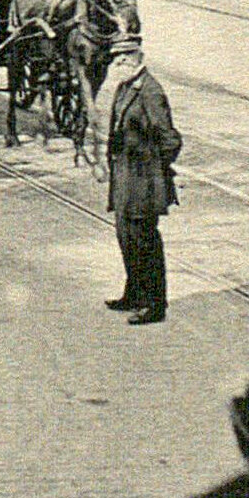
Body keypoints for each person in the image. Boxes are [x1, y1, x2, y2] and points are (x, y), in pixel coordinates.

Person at [98, 34, 181, 325]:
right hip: (125, 179)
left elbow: (170, 140)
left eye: (125, 56)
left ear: (137, 57)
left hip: (143, 182)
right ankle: (133, 293)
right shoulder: (124, 87)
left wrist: (153, 171)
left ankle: (154, 304)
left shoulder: (150, 91)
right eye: (116, 57)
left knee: (145, 240)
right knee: (126, 236)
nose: (119, 62)